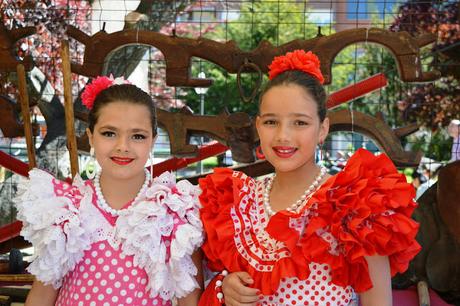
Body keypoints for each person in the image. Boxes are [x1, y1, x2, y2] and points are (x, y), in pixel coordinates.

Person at [198, 50, 421, 306]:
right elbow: (217, 277)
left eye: (300, 123)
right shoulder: (236, 203)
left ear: (322, 129)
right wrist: (226, 286)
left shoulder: (357, 207)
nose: (283, 135)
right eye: (271, 122)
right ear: (258, 126)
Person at [15, 76, 204, 306]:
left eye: (137, 136)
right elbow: (42, 296)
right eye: (109, 133)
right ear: (90, 136)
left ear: (153, 140)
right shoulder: (66, 211)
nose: (123, 146)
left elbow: (190, 301)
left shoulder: (174, 214)